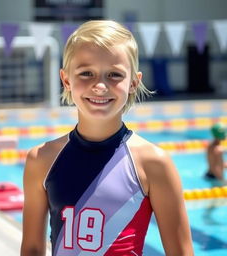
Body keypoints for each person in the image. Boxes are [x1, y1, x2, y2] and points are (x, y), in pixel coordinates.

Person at [21, 20, 194, 256]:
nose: (100, 85)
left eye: (114, 75)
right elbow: (31, 249)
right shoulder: (41, 160)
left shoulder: (153, 163)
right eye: (86, 73)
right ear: (66, 80)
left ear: (134, 82)